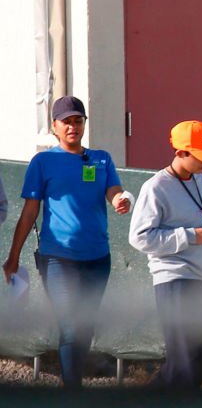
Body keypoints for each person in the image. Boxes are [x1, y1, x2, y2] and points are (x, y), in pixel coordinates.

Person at [1, 95, 133, 388]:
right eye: (67, 122)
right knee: (70, 325)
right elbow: (29, 212)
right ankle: (72, 393)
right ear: (55, 127)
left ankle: (72, 387)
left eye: (78, 120)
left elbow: (114, 191)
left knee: (84, 326)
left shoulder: (101, 158)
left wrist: (121, 201)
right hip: (58, 258)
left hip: (98, 258)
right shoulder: (43, 162)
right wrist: (13, 258)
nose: (73, 126)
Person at [128, 120, 202, 389]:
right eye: (199, 156)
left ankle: (149, 406)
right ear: (181, 152)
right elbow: (139, 237)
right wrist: (188, 236)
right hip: (174, 281)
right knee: (184, 362)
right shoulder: (155, 187)